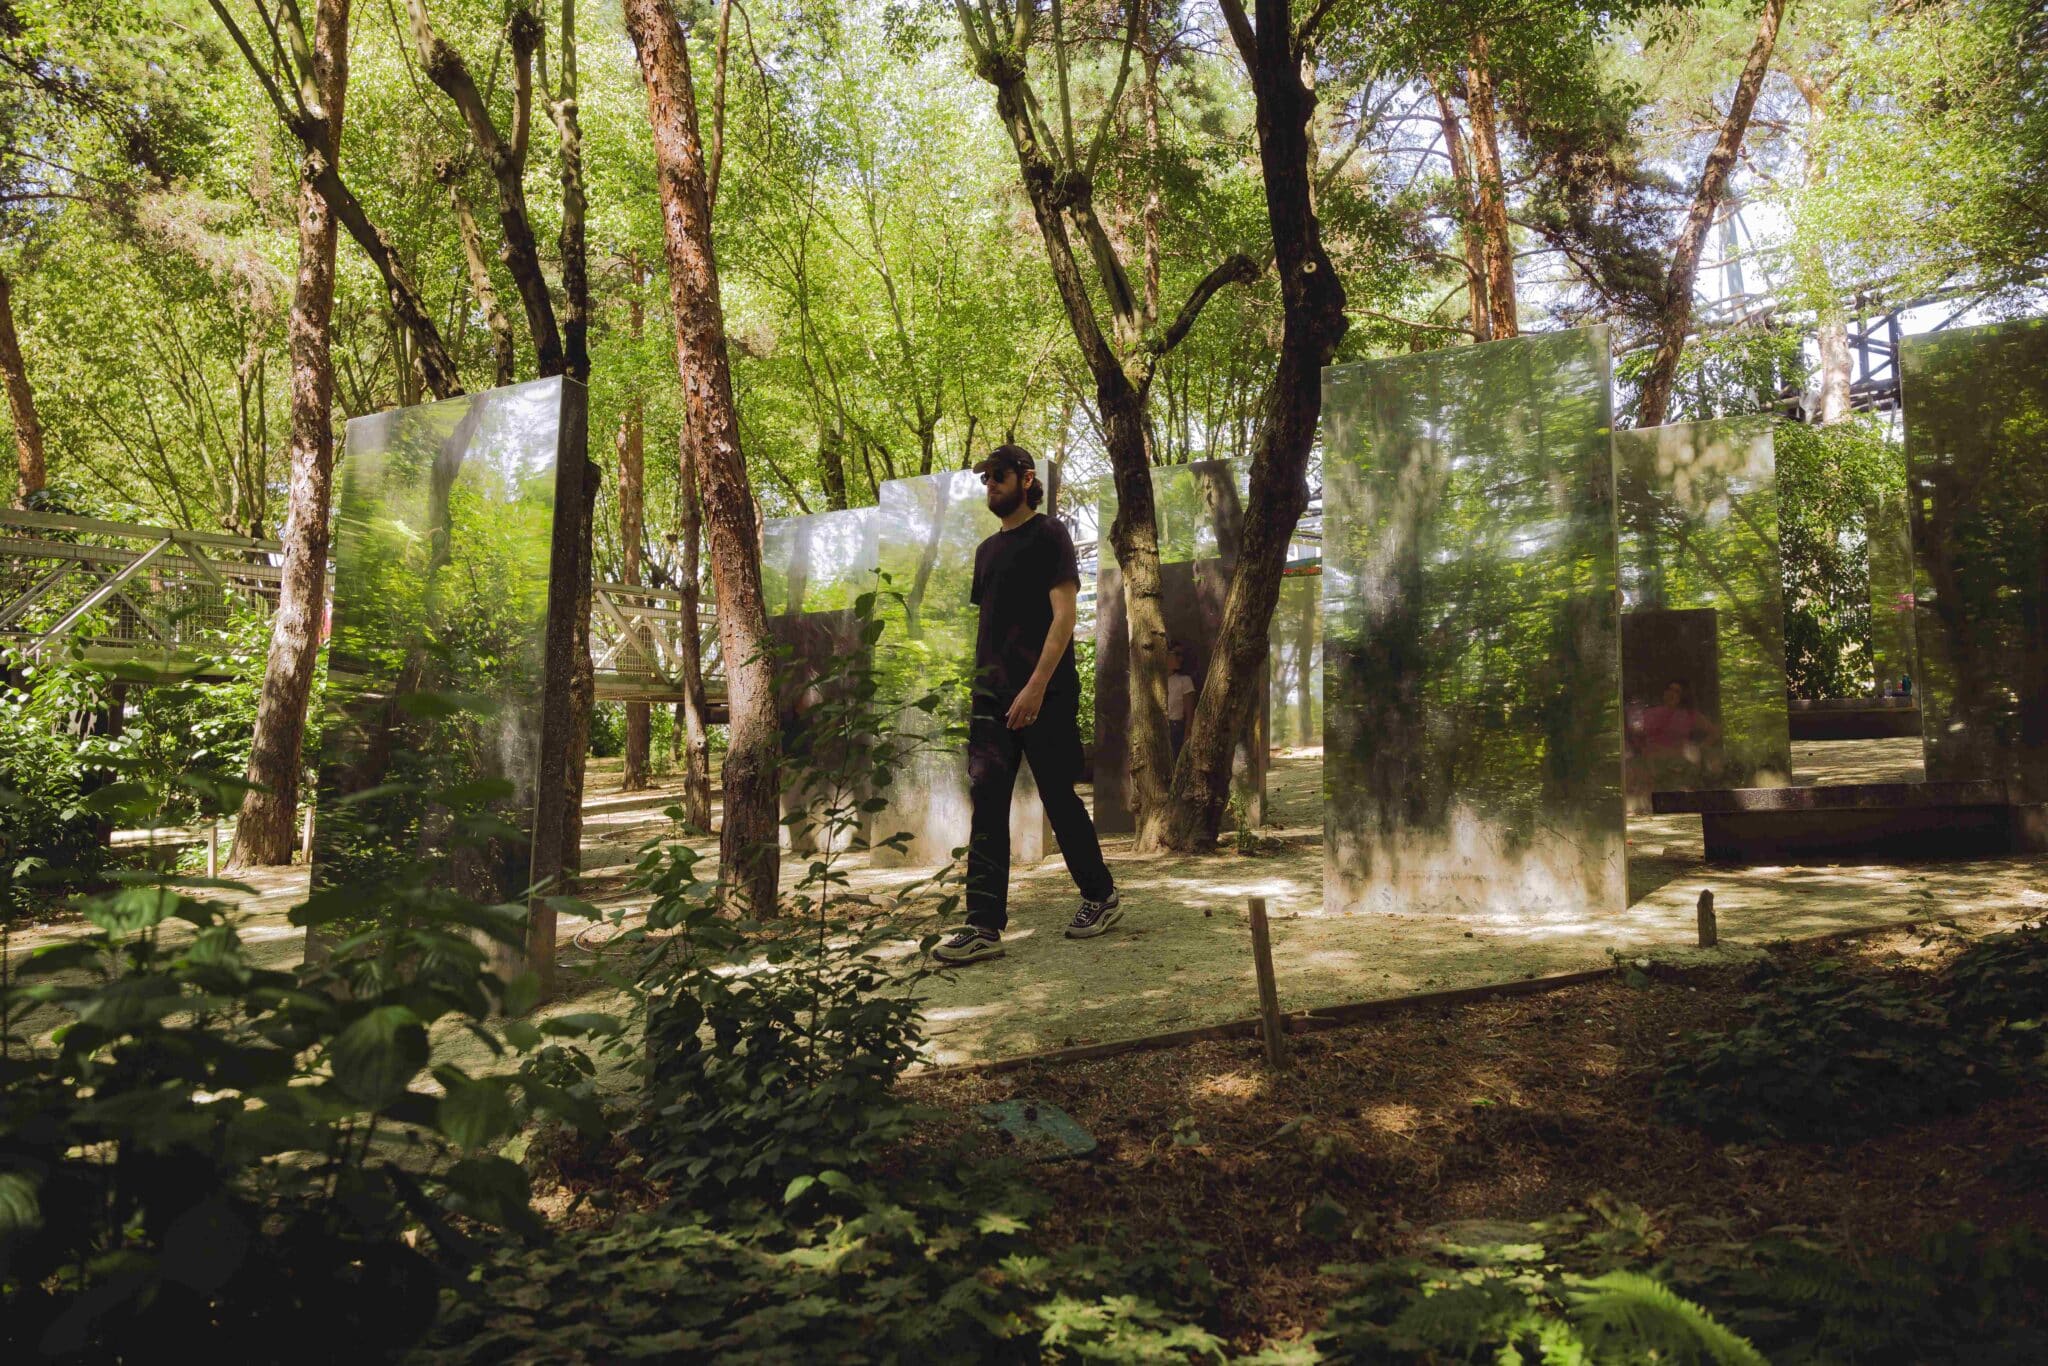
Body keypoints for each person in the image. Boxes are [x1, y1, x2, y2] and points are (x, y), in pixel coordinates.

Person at [931, 445, 1120, 966]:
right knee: (987, 805)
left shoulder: (1050, 535)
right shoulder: (986, 551)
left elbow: (1064, 618)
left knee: (1059, 797)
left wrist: (1035, 687)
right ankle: (982, 926)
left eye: (998, 475)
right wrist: (982, 687)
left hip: (1047, 693)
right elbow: (995, 625)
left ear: (1026, 479)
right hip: (991, 698)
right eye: (985, 478)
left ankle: (1100, 895)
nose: (990, 483)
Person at [1165, 642, 1195, 760]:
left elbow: (1189, 714)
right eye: (1177, 654)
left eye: (1182, 655)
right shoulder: (1157, 680)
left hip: (1176, 730)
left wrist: (1187, 735)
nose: (1180, 659)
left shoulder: (1184, 681)